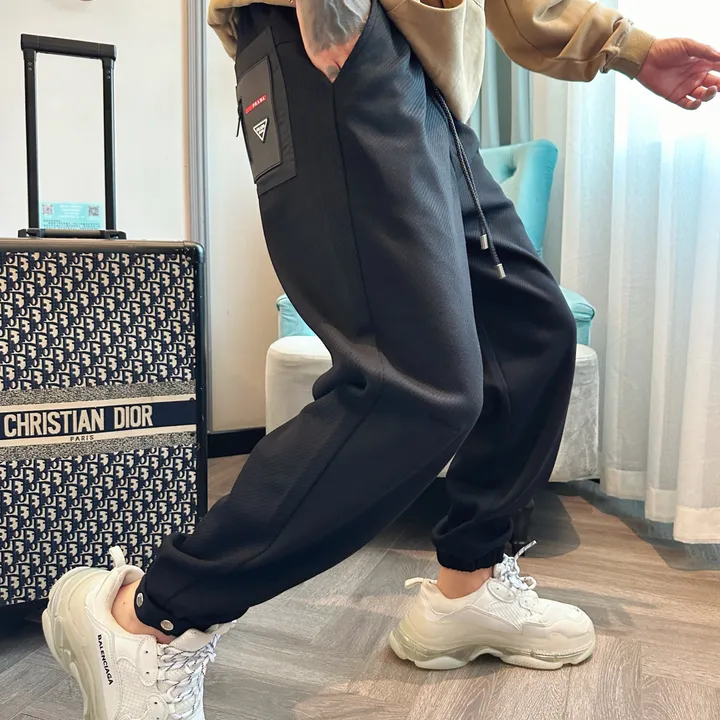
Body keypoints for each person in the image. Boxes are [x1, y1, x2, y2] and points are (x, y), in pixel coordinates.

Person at [42, 1, 719, 718]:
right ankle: (150, 617)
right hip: (343, 40)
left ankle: (468, 587)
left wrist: (626, 47)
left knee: (530, 333)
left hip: (431, 87)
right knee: (416, 385)